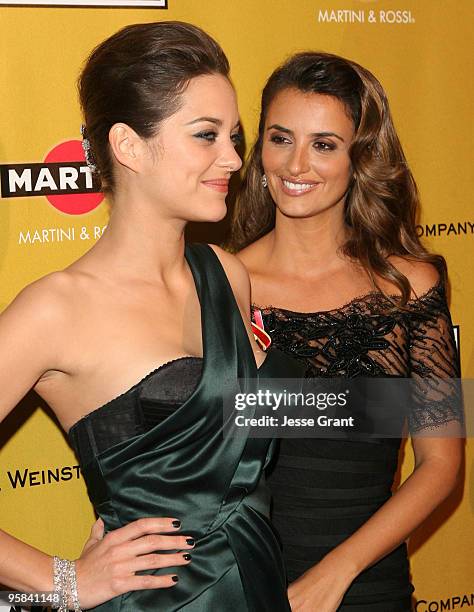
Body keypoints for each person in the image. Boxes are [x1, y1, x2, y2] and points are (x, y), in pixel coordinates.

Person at [0, 22, 301, 611]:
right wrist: (63, 581)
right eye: (206, 136)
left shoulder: (225, 273)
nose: (234, 159)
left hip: (260, 581)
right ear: (130, 146)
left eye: (233, 136)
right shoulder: (55, 309)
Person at [231, 52, 464, 611]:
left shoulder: (410, 288)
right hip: (242, 585)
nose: (296, 164)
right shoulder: (223, 284)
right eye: (280, 138)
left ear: (359, 156)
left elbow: (441, 465)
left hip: (367, 587)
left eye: (324, 144)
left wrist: (336, 573)